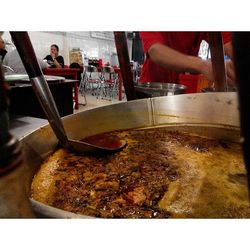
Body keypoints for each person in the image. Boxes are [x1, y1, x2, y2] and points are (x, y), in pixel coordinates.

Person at [139, 32, 235, 91]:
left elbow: (229, 45)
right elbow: (155, 50)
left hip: (185, 91)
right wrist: (203, 65)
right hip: (153, 91)